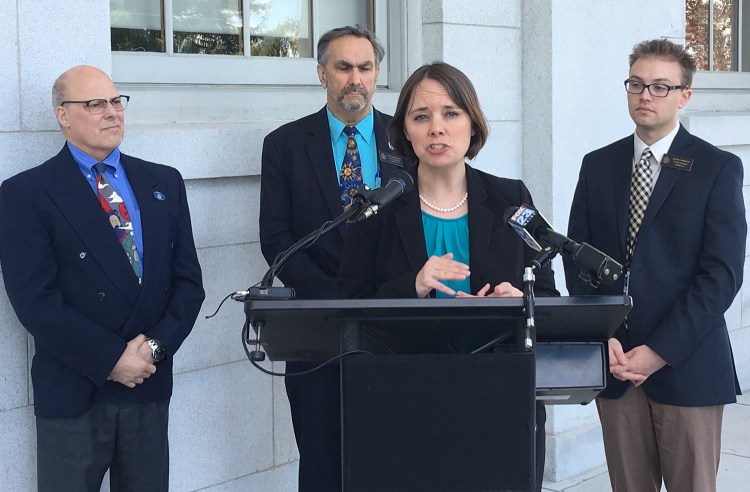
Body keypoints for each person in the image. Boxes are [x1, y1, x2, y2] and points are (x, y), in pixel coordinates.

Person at [338, 61, 557, 491]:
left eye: (451, 113)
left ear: (473, 125)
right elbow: (350, 306)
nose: (437, 128)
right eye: (422, 117)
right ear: (405, 132)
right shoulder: (376, 208)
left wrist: (517, 299)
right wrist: (413, 286)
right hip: (405, 397)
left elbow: (547, 292)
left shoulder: (511, 197)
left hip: (499, 394)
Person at [0, 65, 205, 491]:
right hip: (75, 391)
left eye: (116, 101)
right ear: (63, 115)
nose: (113, 113)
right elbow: (35, 301)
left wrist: (153, 348)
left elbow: (188, 283)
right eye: (96, 104)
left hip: (146, 382)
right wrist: (112, 359)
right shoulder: (26, 194)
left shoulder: (163, 181)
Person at [565, 39, 745, 492]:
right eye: (637, 84)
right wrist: (601, 332)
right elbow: (577, 258)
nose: (646, 95)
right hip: (616, 362)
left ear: (685, 95)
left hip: (687, 365)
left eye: (661, 87)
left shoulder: (717, 168)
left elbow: (721, 275)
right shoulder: (597, 166)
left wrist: (659, 350)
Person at [258, 26, 405, 491]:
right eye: (343, 67)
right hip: (315, 335)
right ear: (322, 73)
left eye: (365, 67)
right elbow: (276, 240)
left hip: (396, 326)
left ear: (378, 74)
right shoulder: (284, 145)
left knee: (393, 458)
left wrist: (380, 296)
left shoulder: (407, 141)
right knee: (322, 464)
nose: (354, 79)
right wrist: (339, 298)